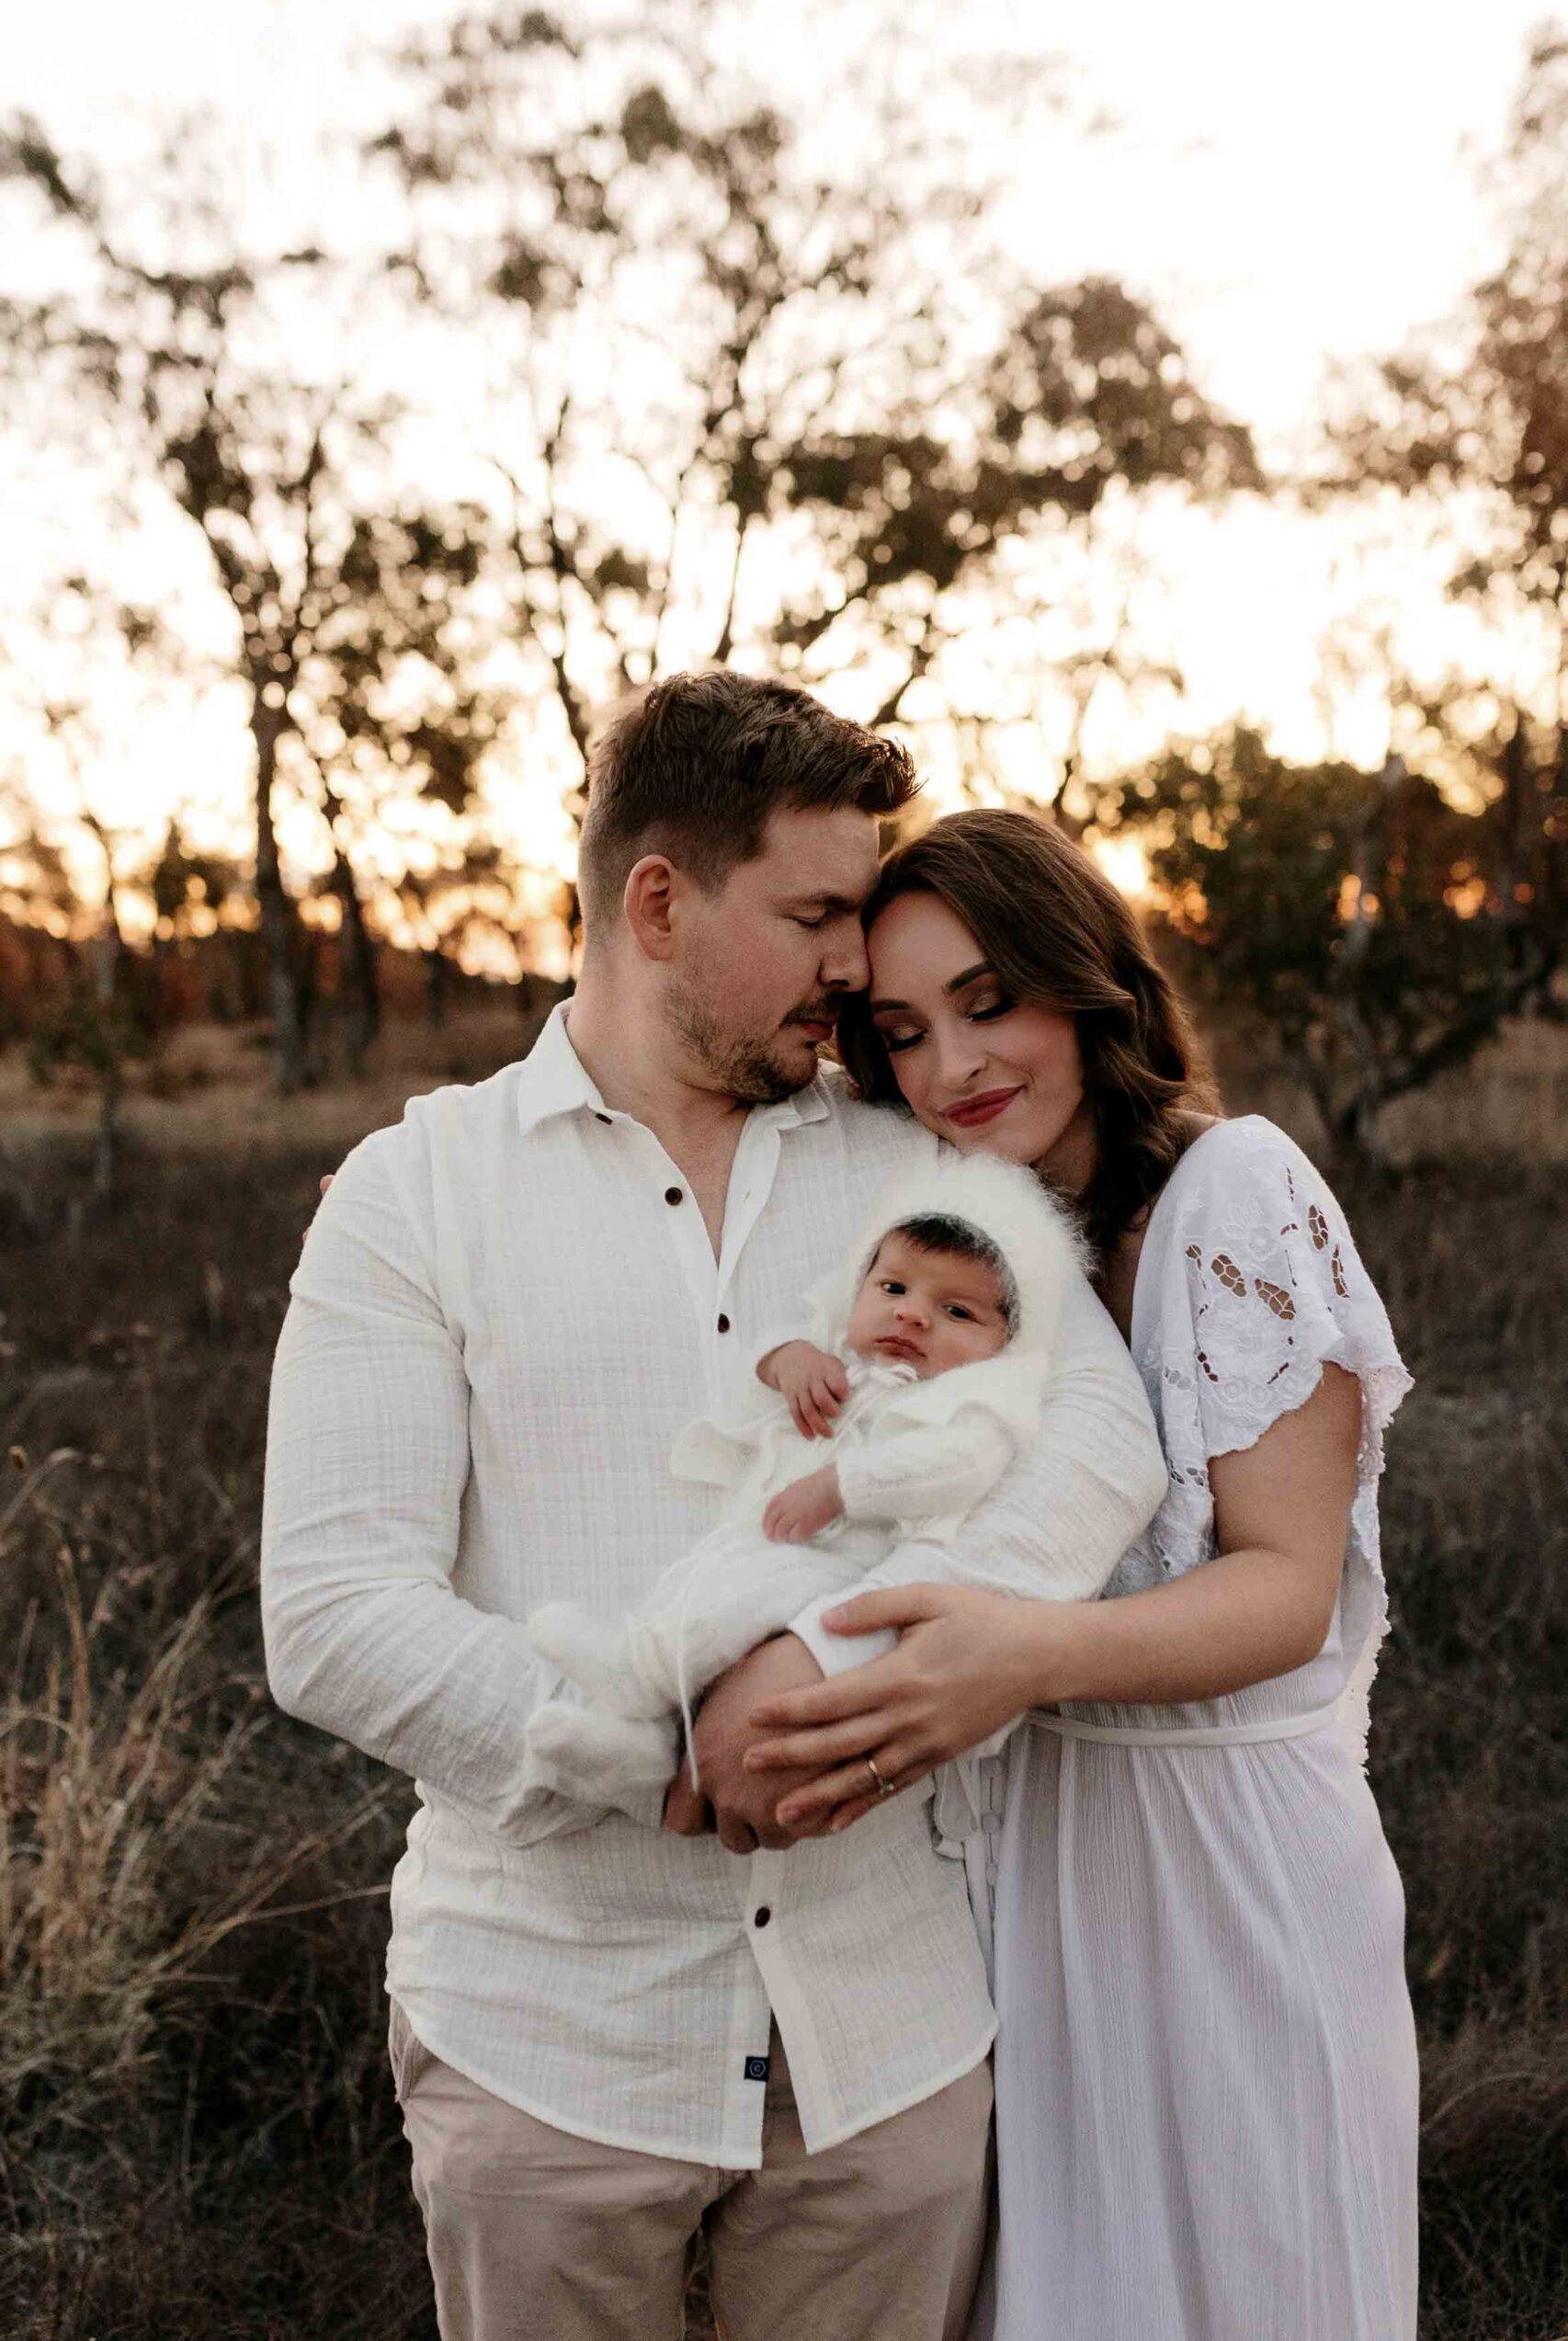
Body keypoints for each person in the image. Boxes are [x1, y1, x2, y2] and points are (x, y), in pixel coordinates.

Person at [259, 678, 1166, 2341]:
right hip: (548, 2049)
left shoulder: (909, 1160)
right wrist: (667, 1752)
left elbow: (1095, 1436)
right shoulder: (421, 1189)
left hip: (884, 2046)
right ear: (659, 902)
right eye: (815, 911)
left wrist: (826, 1667)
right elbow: (333, 1610)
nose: (853, 960)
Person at [740, 808, 1420, 2341]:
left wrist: (1019, 1656)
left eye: (990, 1002)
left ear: (1084, 976)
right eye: (902, 1033)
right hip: (1041, 1864)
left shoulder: (1234, 1190)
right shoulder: (1009, 1245)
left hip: (1231, 1871)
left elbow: (1284, 1587)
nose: (951, 1068)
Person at [520, 1152, 1093, 1813]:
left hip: (852, 1562)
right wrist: (789, 1362)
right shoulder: (840, 1350)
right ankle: (644, 1747)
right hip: (777, 1539)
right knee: (698, 1582)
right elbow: (782, 1339)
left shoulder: (985, 1398)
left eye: (957, 1312)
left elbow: (958, 1466)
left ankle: (638, 1674)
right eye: (893, 1289)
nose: (913, 1317)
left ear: (1007, 1339)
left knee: (726, 1606)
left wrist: (845, 1485)